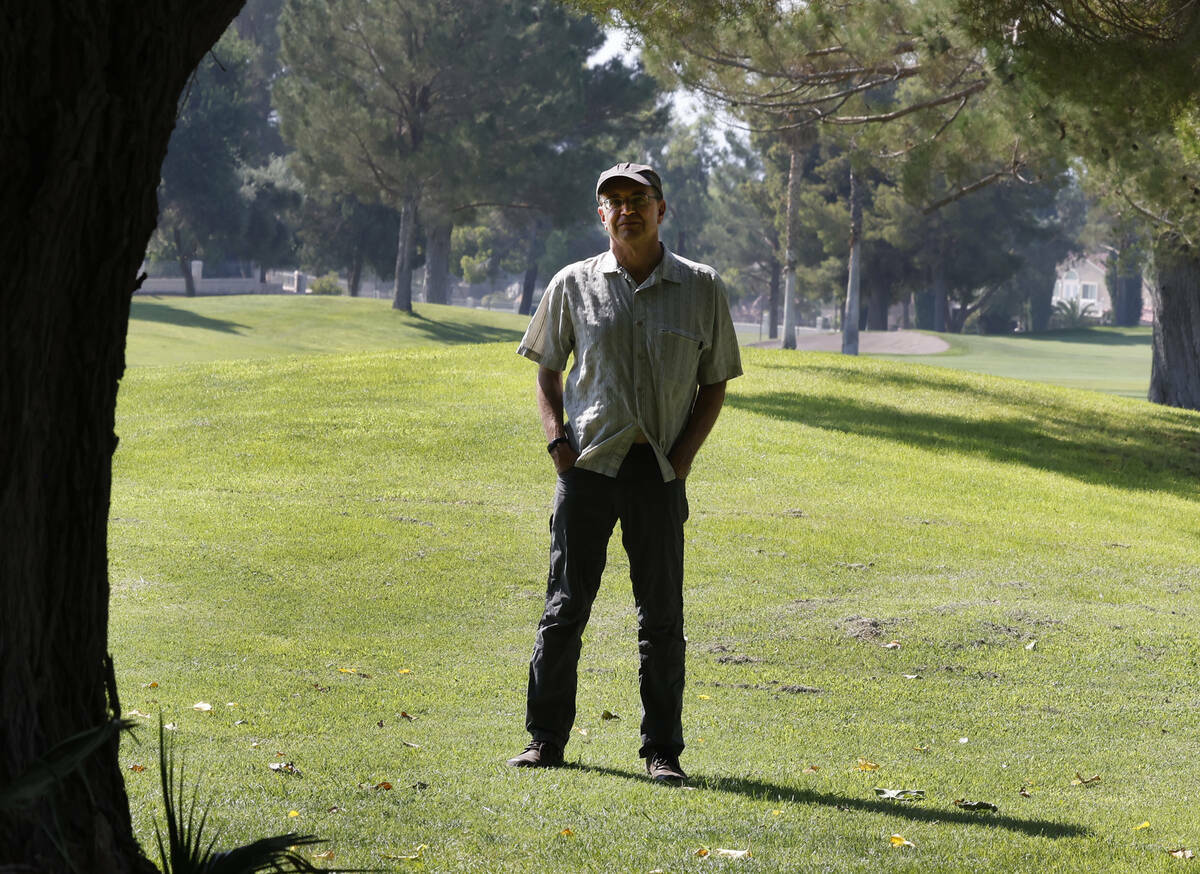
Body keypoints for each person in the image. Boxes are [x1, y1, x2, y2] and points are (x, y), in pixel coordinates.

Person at [507, 162, 743, 784]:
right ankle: (544, 741)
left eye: (638, 198)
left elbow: (715, 380)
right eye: (613, 201)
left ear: (662, 209)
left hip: (658, 471)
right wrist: (558, 444)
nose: (626, 209)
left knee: (662, 619)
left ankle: (662, 753)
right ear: (601, 214)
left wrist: (683, 461)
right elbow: (546, 371)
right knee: (564, 610)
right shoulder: (572, 284)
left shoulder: (702, 286)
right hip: (587, 465)